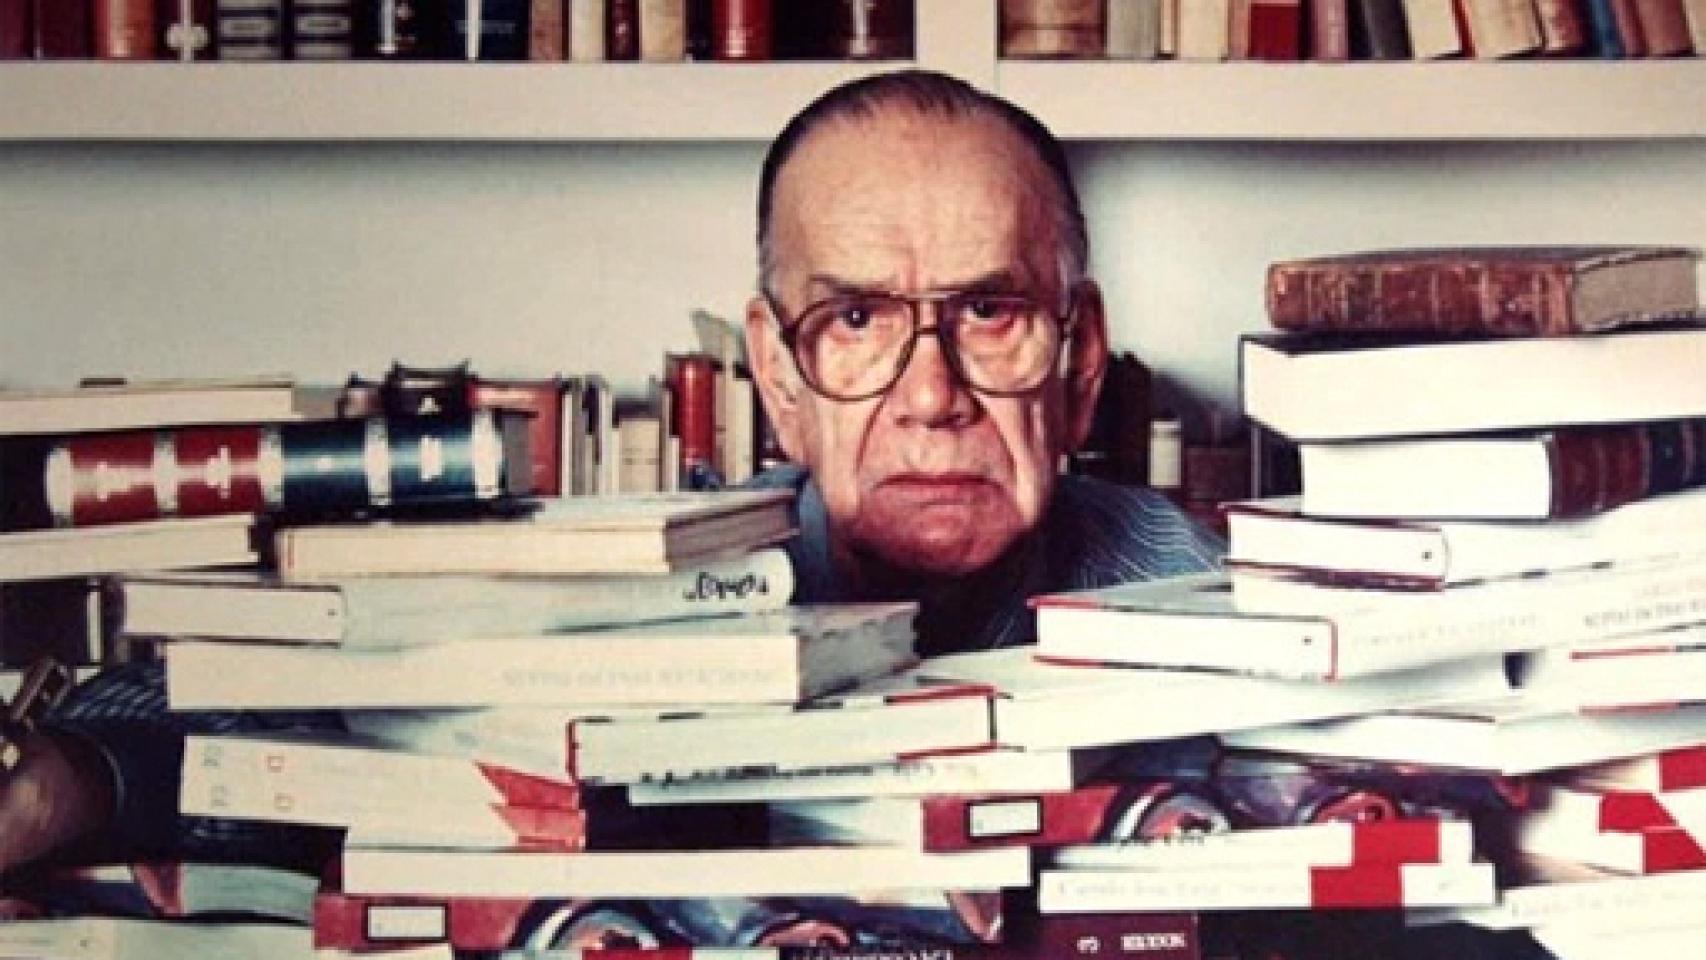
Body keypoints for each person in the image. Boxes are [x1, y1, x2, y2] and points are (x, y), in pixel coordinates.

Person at [0, 69, 1219, 873]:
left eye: (991, 311)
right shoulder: (638, 587)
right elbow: (259, 722)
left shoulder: (1217, 607)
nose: (930, 394)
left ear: (1080, 360)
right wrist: (70, 785)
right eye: (854, 321)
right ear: (775, 378)